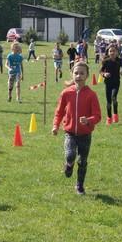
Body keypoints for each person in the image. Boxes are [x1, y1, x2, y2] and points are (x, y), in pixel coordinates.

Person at [52, 62, 101, 195]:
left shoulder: (91, 95)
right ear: (72, 75)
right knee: (70, 155)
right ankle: (68, 165)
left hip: (85, 135)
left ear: (87, 76)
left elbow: (97, 116)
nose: (79, 76)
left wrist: (88, 121)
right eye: (76, 73)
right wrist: (56, 125)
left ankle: (79, 185)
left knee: (83, 161)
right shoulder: (66, 93)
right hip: (70, 133)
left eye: (82, 73)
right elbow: (59, 111)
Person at [99, 43, 122, 124]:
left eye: (114, 51)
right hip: (108, 83)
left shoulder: (120, 60)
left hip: (116, 83)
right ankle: (109, 118)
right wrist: (104, 74)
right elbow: (100, 71)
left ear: (117, 52)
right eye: (110, 51)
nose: (112, 53)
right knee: (108, 102)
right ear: (108, 52)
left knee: (114, 98)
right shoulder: (106, 61)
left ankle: (115, 115)